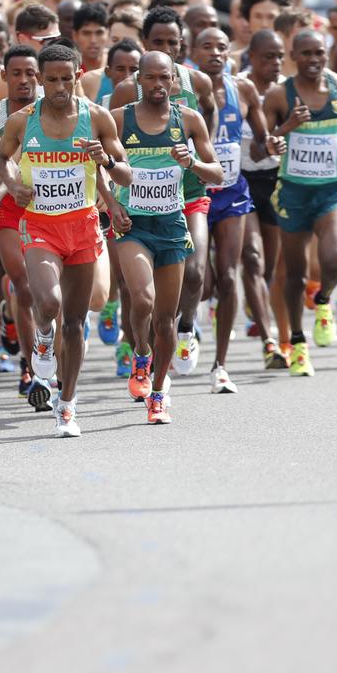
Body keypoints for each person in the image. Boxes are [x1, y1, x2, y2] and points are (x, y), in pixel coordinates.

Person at [0, 43, 130, 437]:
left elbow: (125, 174)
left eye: (66, 79)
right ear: (39, 78)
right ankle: (40, 339)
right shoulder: (23, 121)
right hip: (40, 225)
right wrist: (12, 184)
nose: (58, 87)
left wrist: (104, 159)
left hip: (83, 226)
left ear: (77, 76)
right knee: (49, 302)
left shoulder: (98, 118)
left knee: (74, 321)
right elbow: (3, 157)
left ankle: (66, 404)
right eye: (50, 79)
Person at [110, 51, 222, 421]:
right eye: (151, 78)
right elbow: (93, 167)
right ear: (137, 81)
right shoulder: (118, 120)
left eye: (165, 78)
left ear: (174, 80)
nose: (158, 85)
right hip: (133, 226)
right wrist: (111, 204)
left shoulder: (188, 120)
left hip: (172, 225)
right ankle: (141, 353)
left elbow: (216, 173)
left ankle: (158, 392)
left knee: (166, 317)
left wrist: (191, 163)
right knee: (142, 300)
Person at [263, 30, 337, 376]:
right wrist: (286, 129)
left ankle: (325, 300)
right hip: (294, 193)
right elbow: (263, 144)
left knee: (334, 259)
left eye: (321, 53)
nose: (314, 60)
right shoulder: (278, 95)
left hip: (333, 189)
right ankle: (298, 343)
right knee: (295, 275)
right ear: (293, 56)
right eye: (307, 53)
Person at [191, 27, 278, 391]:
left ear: (231, 53)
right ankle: (187, 325)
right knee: (201, 280)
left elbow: (261, 143)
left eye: (221, 47)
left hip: (232, 192)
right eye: (207, 47)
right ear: (193, 52)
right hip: (192, 193)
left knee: (228, 275)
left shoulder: (242, 89)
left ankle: (220, 366)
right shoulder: (181, 89)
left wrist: (273, 139)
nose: (215, 53)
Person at [0, 44, 42, 402]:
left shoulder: (54, 111)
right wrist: (3, 185)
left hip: (50, 208)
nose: (24, 80)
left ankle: (48, 350)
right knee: (22, 286)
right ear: (4, 76)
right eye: (16, 74)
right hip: (7, 209)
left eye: (30, 73)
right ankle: (30, 364)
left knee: (50, 293)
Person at [238, 30, 290, 369]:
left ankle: (257, 302)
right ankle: (270, 342)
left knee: (270, 266)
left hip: (275, 181)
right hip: (240, 180)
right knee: (253, 258)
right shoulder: (237, 88)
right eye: (268, 57)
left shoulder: (289, 90)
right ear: (252, 58)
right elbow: (255, 147)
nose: (275, 63)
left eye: (280, 56)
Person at [0, 3, 60, 106]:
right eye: (46, 40)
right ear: (23, 39)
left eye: (57, 38)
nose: (54, 44)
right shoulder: (2, 81)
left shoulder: (66, 74)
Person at [73, 2, 109, 74]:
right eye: (86, 33)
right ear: (75, 35)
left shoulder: (118, 65)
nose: (93, 40)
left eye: (99, 33)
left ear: (108, 33)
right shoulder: (70, 70)